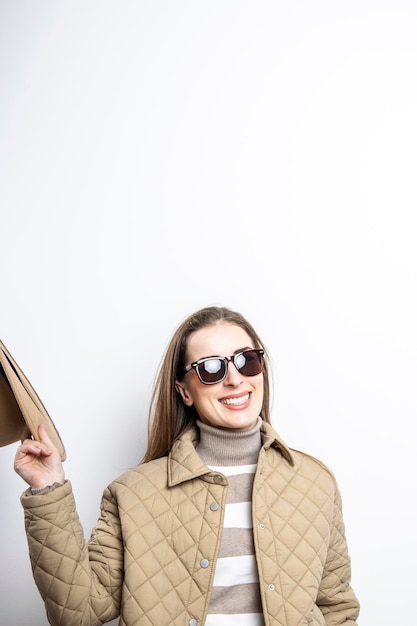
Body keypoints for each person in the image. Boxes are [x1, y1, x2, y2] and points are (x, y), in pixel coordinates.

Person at [14, 306, 360, 626]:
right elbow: (79, 612)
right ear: (184, 391)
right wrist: (48, 491)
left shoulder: (315, 482)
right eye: (211, 368)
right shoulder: (132, 494)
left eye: (247, 360)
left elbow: (337, 608)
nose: (235, 379)